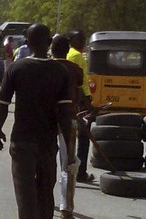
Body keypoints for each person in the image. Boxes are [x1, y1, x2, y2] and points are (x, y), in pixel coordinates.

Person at [0, 23, 73, 219]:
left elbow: (2, 104)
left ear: (27, 43)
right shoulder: (61, 72)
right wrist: (68, 151)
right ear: (49, 43)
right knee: (46, 193)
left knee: (25, 194)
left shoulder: (16, 68)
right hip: (47, 144)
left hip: (22, 142)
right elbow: (65, 114)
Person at [51, 35, 85, 218]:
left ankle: (44, 200)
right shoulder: (75, 69)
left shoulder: (44, 68)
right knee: (69, 164)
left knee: (45, 161)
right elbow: (79, 89)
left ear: (51, 49)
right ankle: (66, 207)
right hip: (68, 121)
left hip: (46, 120)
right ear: (68, 49)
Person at [67, 29, 95, 183]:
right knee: (83, 137)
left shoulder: (69, 54)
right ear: (71, 41)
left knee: (72, 137)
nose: (83, 43)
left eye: (84, 39)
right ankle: (81, 173)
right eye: (79, 40)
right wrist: (87, 103)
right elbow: (79, 83)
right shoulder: (76, 56)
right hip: (81, 101)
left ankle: (73, 170)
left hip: (74, 100)